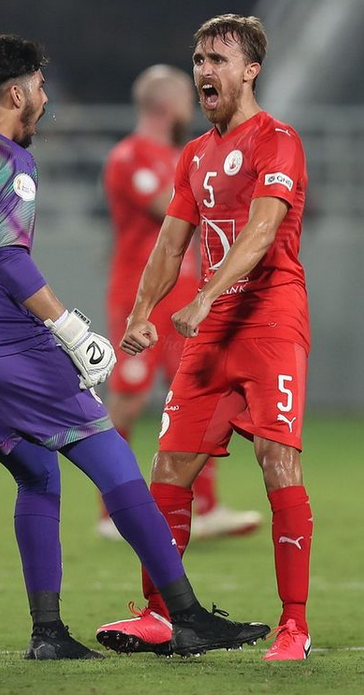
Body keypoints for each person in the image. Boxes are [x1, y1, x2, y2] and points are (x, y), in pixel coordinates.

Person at [0, 35, 270, 661]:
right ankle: (185, 617)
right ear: (16, 93)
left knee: (38, 473)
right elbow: (11, 263)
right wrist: (73, 332)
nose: (45, 100)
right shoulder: (4, 158)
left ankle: (47, 634)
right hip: (0, 343)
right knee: (113, 458)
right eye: (41, 88)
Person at [97, 14, 313, 661]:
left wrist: (206, 293)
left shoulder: (278, 140)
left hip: (270, 319)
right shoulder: (194, 154)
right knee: (168, 466)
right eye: (197, 60)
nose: (204, 71)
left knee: (277, 462)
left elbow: (263, 229)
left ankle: (293, 626)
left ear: (250, 70)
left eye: (217, 59)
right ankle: (161, 615)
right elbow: (169, 242)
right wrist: (142, 311)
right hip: (210, 328)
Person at [100, 63, 262, 540]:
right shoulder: (130, 156)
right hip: (140, 297)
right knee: (127, 401)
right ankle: (113, 512)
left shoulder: (182, 155)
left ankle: (205, 506)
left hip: (188, 298)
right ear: (168, 104)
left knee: (200, 399)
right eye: (189, 97)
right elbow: (170, 209)